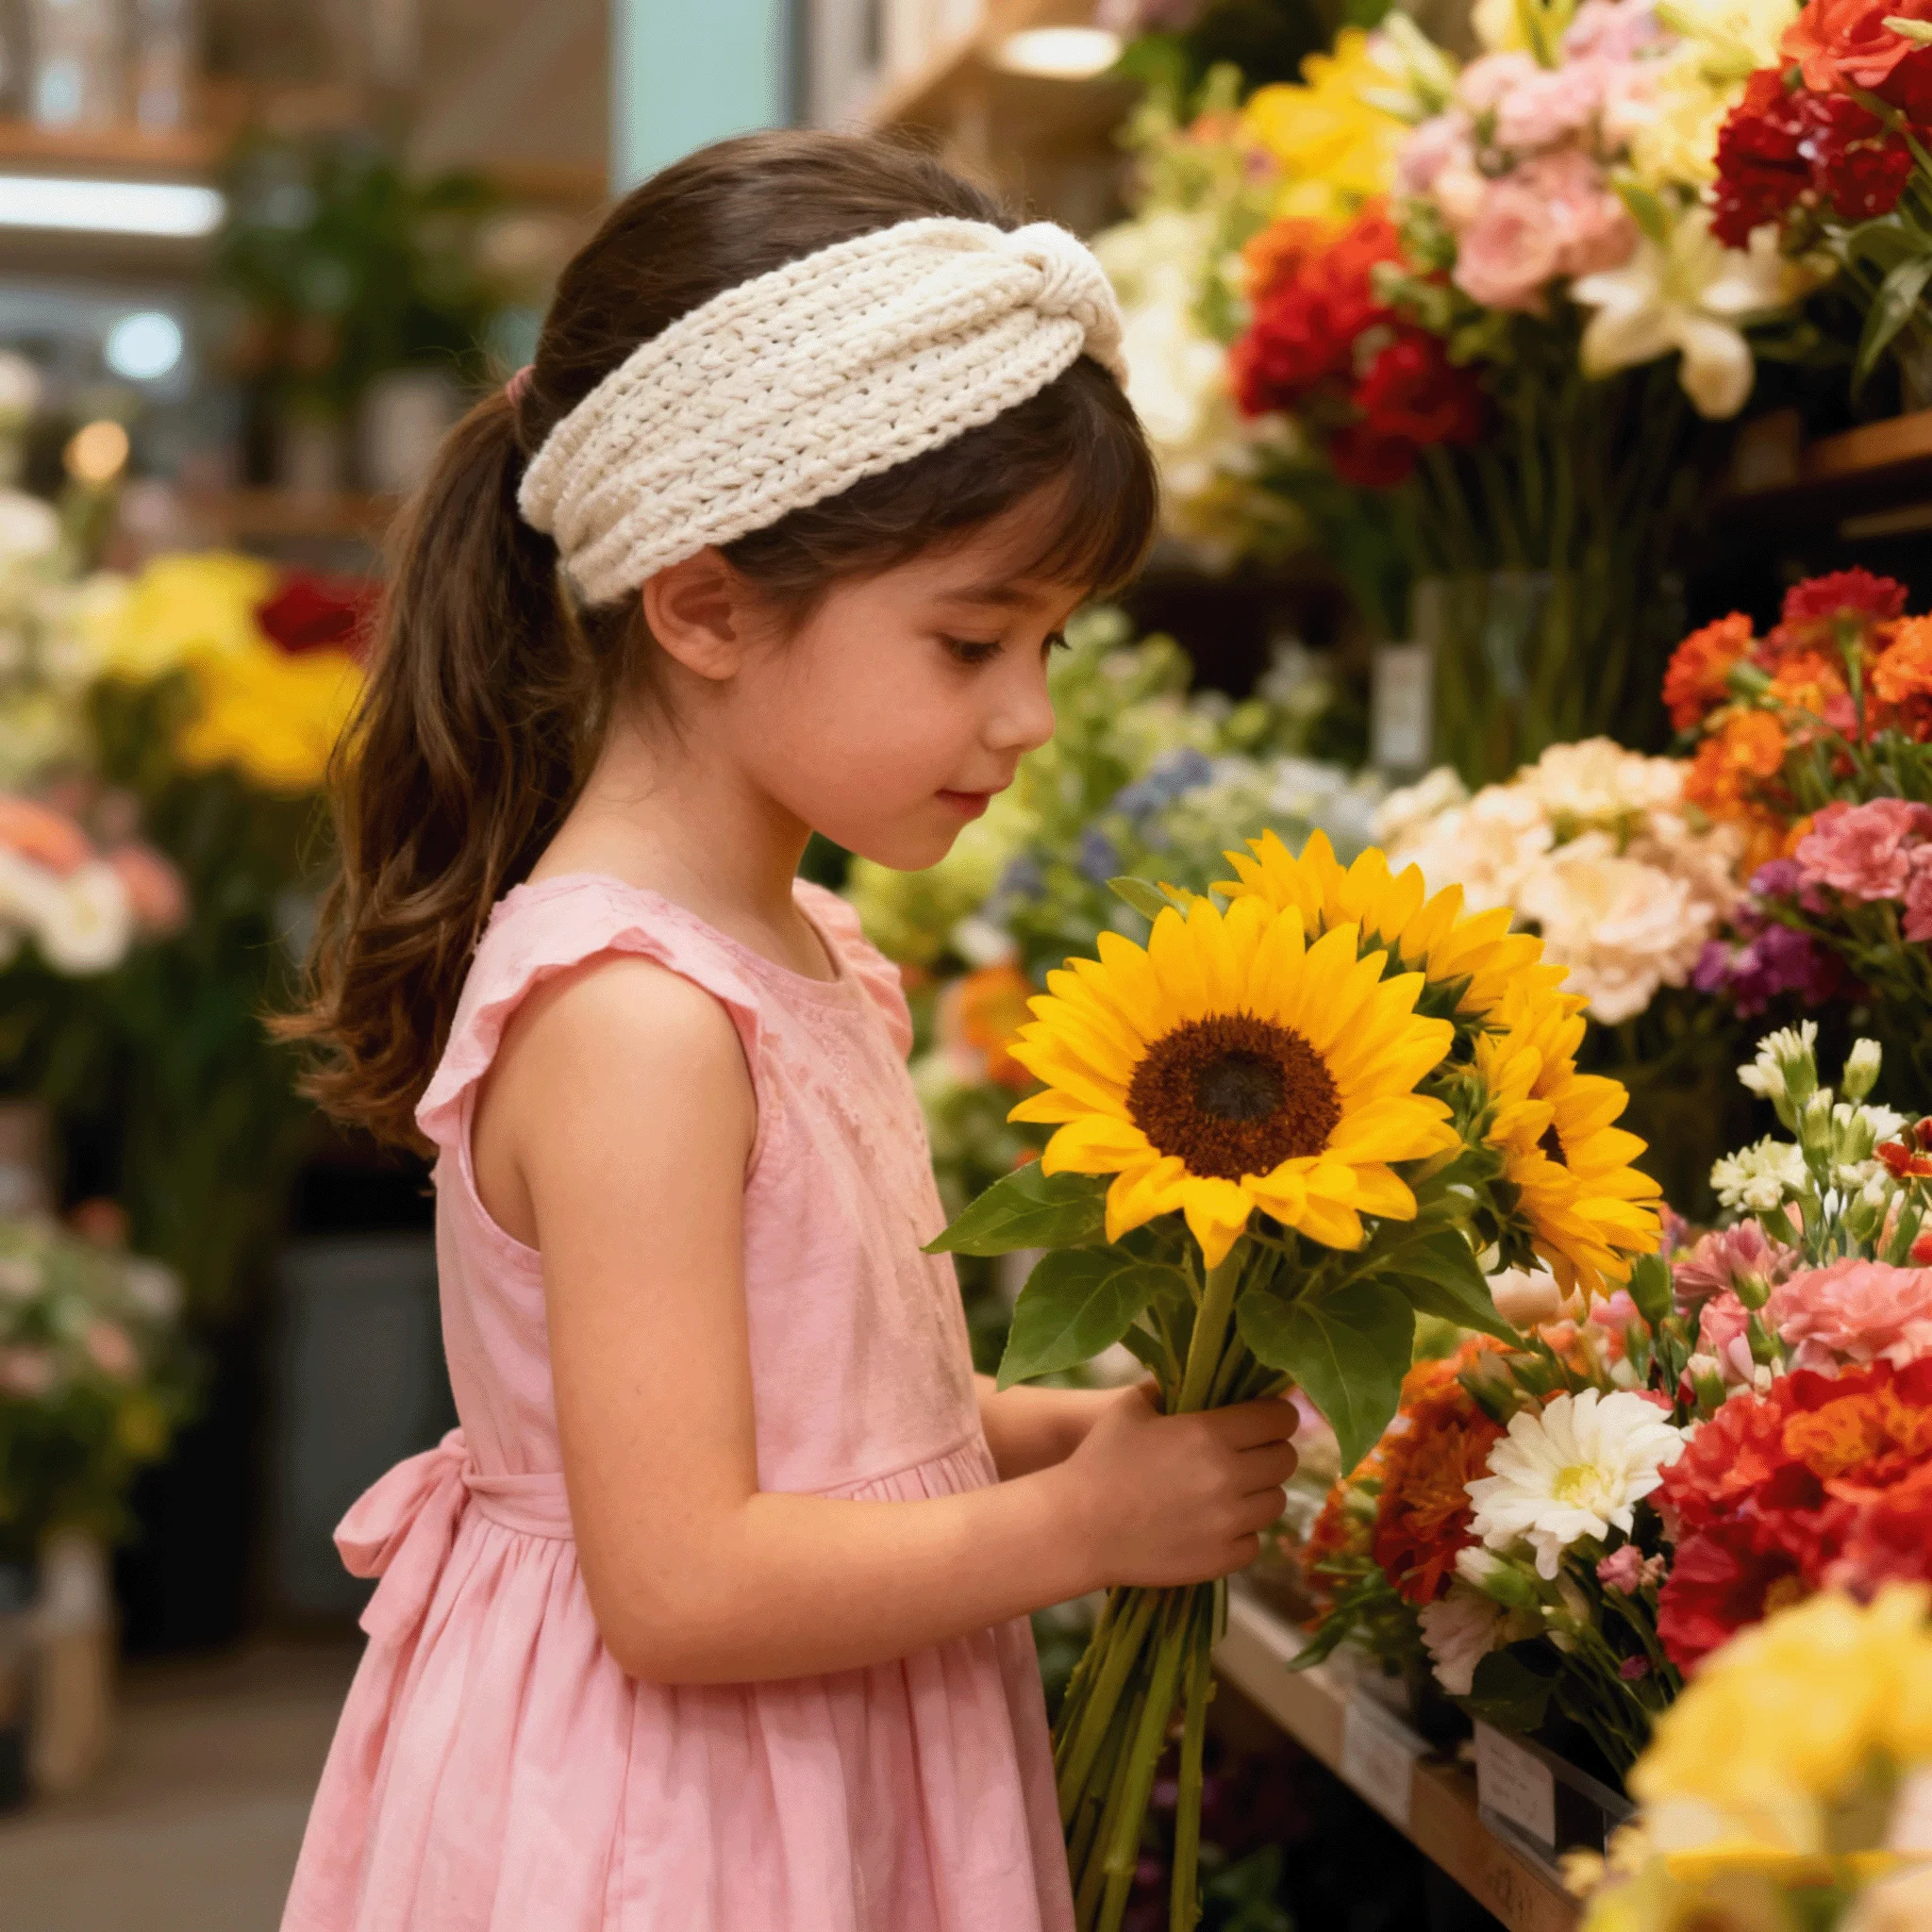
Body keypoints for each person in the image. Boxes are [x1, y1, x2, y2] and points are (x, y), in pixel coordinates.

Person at [278, 128, 1300, 1932]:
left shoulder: (802, 944)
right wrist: (1078, 1532)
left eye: (1052, 647)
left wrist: (1073, 1437)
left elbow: (849, 1424)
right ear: (705, 606)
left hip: (815, 1756)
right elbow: (683, 1585)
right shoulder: (637, 1020)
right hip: (680, 1820)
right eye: (972, 642)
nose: (1027, 717)